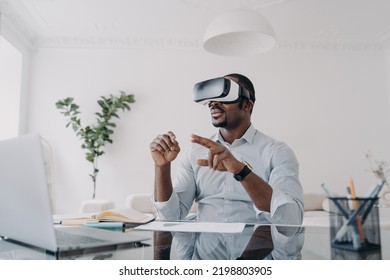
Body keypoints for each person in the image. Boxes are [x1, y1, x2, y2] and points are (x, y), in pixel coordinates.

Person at [149, 73, 304, 225]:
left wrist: (240, 170)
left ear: (247, 104)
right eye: (211, 99)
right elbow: (170, 217)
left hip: (258, 247)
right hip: (204, 249)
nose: (213, 103)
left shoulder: (278, 152)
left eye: (224, 96)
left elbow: (291, 219)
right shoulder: (195, 152)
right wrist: (162, 167)